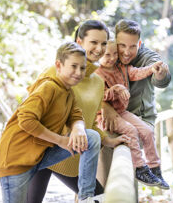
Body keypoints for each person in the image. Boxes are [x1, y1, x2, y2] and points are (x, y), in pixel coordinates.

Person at [27, 20, 129, 203]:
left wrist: (109, 140)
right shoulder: (54, 72)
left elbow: (89, 123)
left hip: (71, 156)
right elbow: (30, 112)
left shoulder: (97, 82)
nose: (99, 48)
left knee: (100, 198)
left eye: (104, 43)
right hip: (41, 150)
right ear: (79, 41)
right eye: (94, 42)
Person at [0, 42, 101, 203]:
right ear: (58, 65)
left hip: (40, 156)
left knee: (91, 137)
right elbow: (26, 120)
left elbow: (75, 114)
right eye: (73, 66)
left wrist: (79, 127)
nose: (78, 72)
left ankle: (86, 197)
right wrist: (61, 141)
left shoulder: (68, 92)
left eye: (82, 68)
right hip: (16, 160)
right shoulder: (48, 87)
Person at [101, 19, 171, 189]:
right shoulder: (108, 58)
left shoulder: (146, 56)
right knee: (109, 165)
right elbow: (84, 86)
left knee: (133, 142)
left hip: (138, 117)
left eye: (133, 46)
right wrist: (104, 106)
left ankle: (152, 169)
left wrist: (160, 72)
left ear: (139, 43)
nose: (126, 52)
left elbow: (158, 75)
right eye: (122, 45)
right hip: (112, 119)